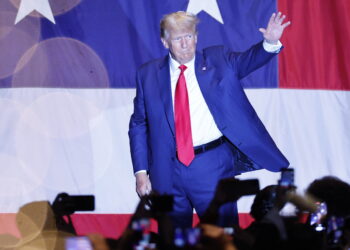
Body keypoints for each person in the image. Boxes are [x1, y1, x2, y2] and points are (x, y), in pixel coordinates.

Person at [129, 11, 290, 228]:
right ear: (165, 42)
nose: (185, 44)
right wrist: (141, 172)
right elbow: (139, 123)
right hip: (166, 171)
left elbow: (248, 61)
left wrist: (269, 42)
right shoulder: (147, 74)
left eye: (189, 36)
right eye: (178, 39)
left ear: (196, 37)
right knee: (172, 239)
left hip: (212, 165)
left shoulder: (218, 60)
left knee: (221, 235)